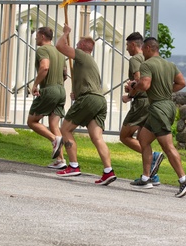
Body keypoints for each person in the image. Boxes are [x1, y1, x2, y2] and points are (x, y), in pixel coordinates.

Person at [129, 37, 186, 197]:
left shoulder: (147, 64)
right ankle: (146, 178)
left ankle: (183, 179)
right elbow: (182, 83)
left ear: (148, 48)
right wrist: (165, 89)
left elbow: (145, 84)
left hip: (159, 108)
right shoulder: (169, 65)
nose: (142, 52)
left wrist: (134, 86)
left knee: (167, 146)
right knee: (143, 139)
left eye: (143, 49)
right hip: (167, 105)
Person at [51, 26, 116, 184]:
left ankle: (73, 166)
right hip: (99, 100)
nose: (76, 46)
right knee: (97, 137)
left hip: (89, 99)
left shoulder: (81, 55)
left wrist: (66, 33)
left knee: (65, 129)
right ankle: (108, 171)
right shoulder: (90, 62)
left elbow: (59, 46)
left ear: (81, 46)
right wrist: (77, 93)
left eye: (78, 44)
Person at [120, 32, 163, 184]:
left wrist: (130, 94)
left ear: (133, 45)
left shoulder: (135, 59)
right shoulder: (148, 58)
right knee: (143, 139)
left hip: (141, 102)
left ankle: (154, 157)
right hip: (151, 102)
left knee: (124, 136)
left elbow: (139, 80)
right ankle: (152, 175)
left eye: (127, 45)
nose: (126, 49)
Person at [26, 26, 66, 166]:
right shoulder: (60, 52)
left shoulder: (42, 50)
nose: (36, 38)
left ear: (43, 36)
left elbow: (44, 67)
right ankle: (60, 160)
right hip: (61, 91)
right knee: (54, 124)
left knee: (32, 121)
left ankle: (53, 139)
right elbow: (65, 74)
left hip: (49, 90)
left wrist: (35, 84)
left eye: (37, 35)